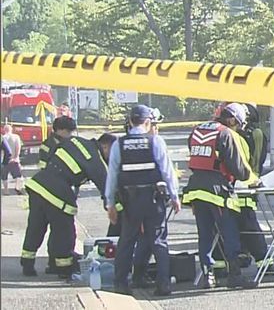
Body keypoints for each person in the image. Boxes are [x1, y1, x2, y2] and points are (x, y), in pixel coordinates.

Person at [21, 122, 112, 278]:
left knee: (35, 227)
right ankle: (63, 268)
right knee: (64, 231)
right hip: (57, 193)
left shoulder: (76, 140)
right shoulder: (96, 161)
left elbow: (52, 155)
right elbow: (106, 186)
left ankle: (27, 264)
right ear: (106, 146)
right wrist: (114, 206)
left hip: (38, 185)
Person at [182, 102, 258, 290]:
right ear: (231, 118)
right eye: (238, 124)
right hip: (217, 190)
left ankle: (207, 277)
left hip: (196, 188)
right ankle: (235, 276)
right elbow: (238, 168)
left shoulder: (197, 130)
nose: (238, 128)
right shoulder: (225, 133)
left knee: (205, 234)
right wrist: (252, 179)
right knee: (229, 232)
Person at [107, 105, 180, 297]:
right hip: (153, 199)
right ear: (148, 122)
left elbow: (112, 176)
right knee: (158, 241)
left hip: (130, 201)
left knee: (127, 241)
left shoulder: (119, 144)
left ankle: (120, 284)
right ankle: (163, 285)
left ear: (130, 122)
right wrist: (175, 196)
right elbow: (167, 171)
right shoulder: (155, 141)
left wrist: (110, 203)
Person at [233, 103, 270, 276]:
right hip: (240, 187)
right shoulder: (234, 135)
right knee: (248, 226)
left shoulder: (254, 134)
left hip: (246, 185)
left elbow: (255, 161)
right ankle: (260, 261)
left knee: (244, 224)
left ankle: (254, 259)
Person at [1, 123, 24, 194]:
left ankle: (6, 191)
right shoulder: (16, 137)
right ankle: (17, 188)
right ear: (11, 130)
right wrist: (16, 157)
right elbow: (18, 147)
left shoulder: (2, 138)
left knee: (4, 177)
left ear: (4, 130)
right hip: (14, 160)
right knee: (18, 176)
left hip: (4, 161)